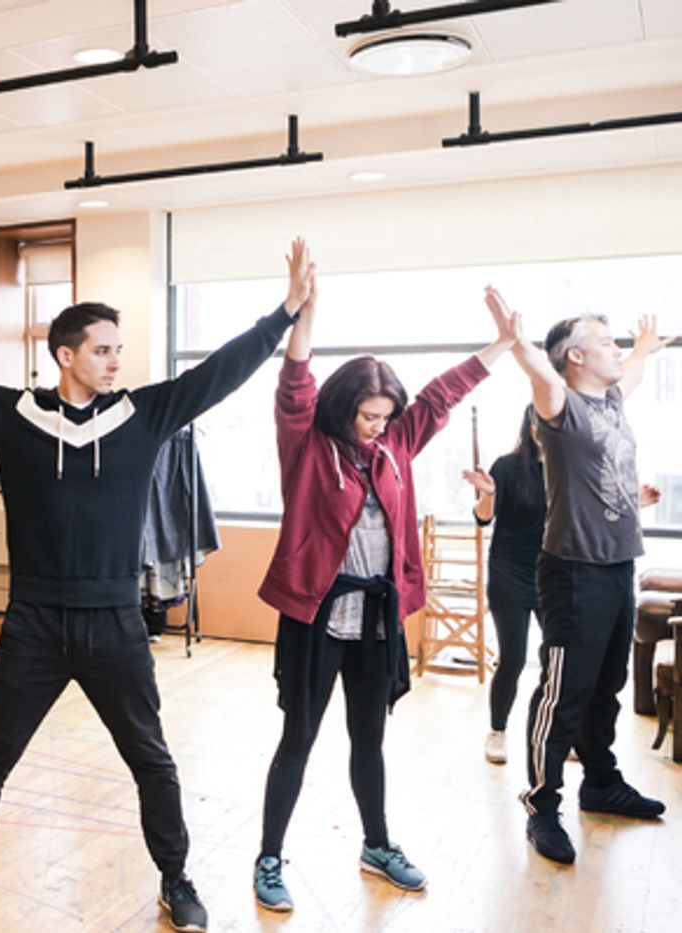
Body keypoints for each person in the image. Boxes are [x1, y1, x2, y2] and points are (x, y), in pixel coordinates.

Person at [0, 233, 314, 933]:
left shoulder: (144, 415)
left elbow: (220, 372)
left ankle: (174, 876)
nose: (115, 361)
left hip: (115, 624)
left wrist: (283, 313)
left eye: (119, 351)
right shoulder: (15, 416)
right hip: (33, 623)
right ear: (65, 354)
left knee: (152, 762)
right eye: (103, 350)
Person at [251, 281, 517, 912]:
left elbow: (442, 394)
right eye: (366, 416)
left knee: (369, 738)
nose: (376, 427)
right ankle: (267, 857)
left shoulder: (396, 443)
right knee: (299, 737)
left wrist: (501, 345)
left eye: (384, 418)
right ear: (343, 409)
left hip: (375, 622)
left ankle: (376, 844)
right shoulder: (307, 444)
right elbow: (294, 386)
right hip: (317, 618)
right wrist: (305, 314)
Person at [492, 287, 672, 865]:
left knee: (606, 686)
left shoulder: (612, 401)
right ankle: (542, 806)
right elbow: (540, 379)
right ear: (574, 357)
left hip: (619, 565)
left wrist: (643, 348)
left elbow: (634, 371)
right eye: (606, 341)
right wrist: (518, 343)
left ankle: (601, 782)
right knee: (562, 694)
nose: (616, 349)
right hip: (573, 574)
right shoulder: (561, 408)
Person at [462, 405, 546, 765]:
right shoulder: (507, 466)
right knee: (512, 658)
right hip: (509, 573)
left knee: (560, 660)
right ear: (529, 424)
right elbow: (483, 519)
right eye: (540, 421)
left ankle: (559, 730)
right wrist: (489, 494)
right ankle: (497, 731)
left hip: (552, 574)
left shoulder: (568, 469)